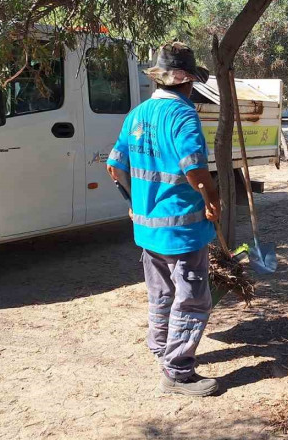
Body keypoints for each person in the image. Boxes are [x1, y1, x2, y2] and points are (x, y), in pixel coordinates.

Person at [107, 42, 221, 397]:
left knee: (160, 293)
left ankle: (160, 345)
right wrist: (213, 200)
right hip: (182, 230)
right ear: (188, 81)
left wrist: (132, 202)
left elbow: (114, 166)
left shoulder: (137, 114)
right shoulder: (183, 116)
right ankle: (177, 372)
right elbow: (196, 173)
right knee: (192, 299)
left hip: (147, 229)